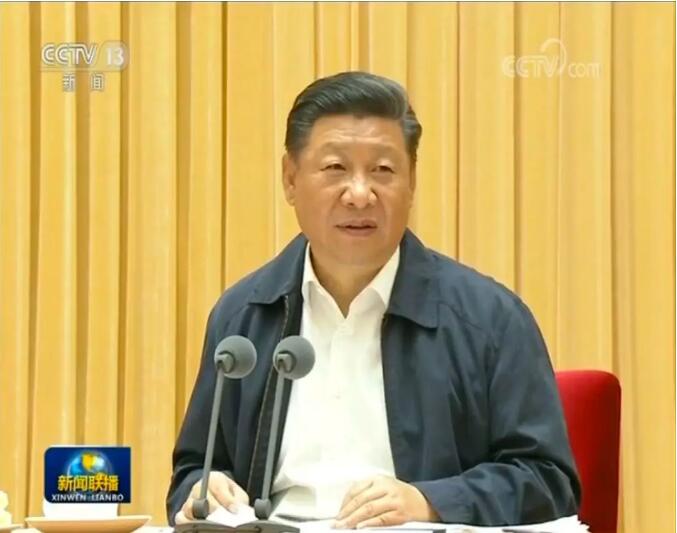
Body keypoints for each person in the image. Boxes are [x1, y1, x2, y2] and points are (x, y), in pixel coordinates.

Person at [167, 71, 580, 528]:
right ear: (290, 179)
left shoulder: (489, 319)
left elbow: (547, 480)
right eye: (335, 169)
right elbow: (194, 469)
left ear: (411, 181)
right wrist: (206, 489)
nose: (360, 194)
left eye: (383, 170)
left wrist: (430, 501)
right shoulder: (243, 316)